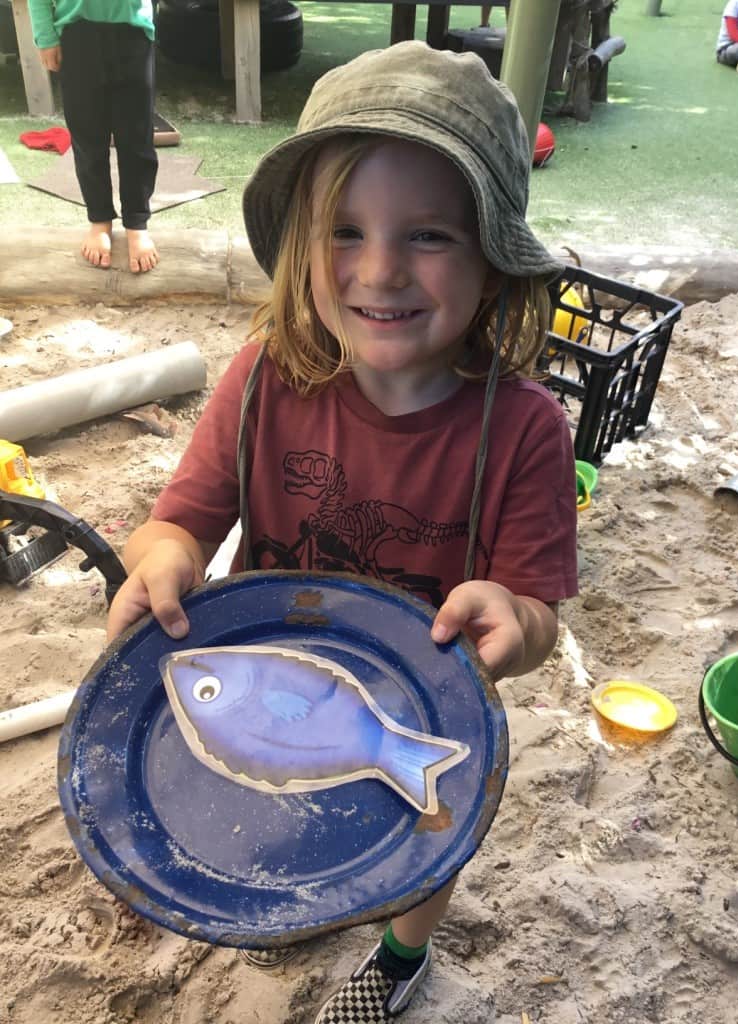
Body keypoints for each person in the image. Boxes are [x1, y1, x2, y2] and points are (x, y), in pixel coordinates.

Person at [106, 40, 578, 1022]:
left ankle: (403, 954)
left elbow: (532, 615)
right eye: (346, 231)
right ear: (301, 246)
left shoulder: (523, 425)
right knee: (289, 804)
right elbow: (177, 526)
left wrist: (510, 619)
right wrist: (163, 560)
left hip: (424, 705)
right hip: (275, 682)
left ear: (491, 259)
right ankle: (310, 885)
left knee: (439, 821)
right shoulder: (262, 381)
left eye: (431, 236)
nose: (381, 269)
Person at [27, 0, 159, 272]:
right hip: (77, 35)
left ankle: (136, 221)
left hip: (132, 31)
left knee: (137, 137)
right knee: (88, 138)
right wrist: (45, 36)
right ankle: (99, 219)